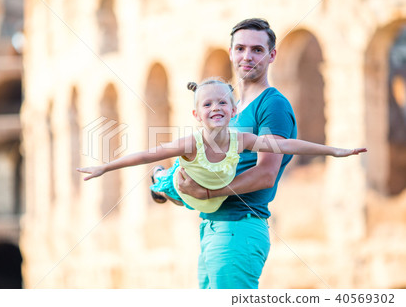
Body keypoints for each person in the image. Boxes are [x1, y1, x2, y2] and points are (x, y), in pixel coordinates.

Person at [162, 18, 357, 289]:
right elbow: (219, 167)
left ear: (272, 55)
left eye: (257, 49)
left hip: (239, 229)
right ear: (230, 52)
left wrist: (206, 193)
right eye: (240, 48)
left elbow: (266, 173)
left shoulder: (272, 105)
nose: (247, 56)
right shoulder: (232, 108)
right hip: (214, 228)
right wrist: (181, 189)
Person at [77, 79, 365, 215]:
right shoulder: (190, 142)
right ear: (196, 115)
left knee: (194, 199)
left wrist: (334, 151)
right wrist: (104, 166)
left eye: (222, 102)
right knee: (171, 188)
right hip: (186, 182)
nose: (216, 107)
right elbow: (144, 154)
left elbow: (288, 144)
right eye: (207, 104)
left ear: (233, 110)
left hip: (212, 192)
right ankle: (158, 180)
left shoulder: (241, 141)